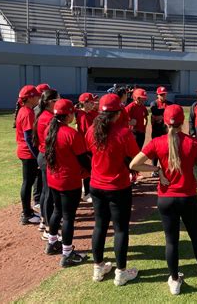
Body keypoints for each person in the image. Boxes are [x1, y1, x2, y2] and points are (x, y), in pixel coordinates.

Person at [130, 104, 197, 295]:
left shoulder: (157, 142)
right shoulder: (193, 143)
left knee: (171, 241)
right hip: (188, 198)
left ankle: (174, 280)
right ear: (183, 122)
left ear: (165, 122)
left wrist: (157, 170)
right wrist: (195, 170)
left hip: (166, 199)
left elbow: (134, 164)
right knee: (196, 237)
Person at [85, 94, 140, 285]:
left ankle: (98, 268)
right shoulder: (123, 133)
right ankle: (121, 272)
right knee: (120, 229)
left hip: (96, 185)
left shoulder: (92, 130)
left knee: (99, 226)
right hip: (118, 187)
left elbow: (89, 152)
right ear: (117, 113)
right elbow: (135, 158)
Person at [44, 99, 90, 267]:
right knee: (69, 217)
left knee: (57, 211)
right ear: (68, 114)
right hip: (69, 181)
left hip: (53, 178)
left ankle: (52, 242)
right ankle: (67, 253)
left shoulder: (50, 128)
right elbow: (83, 159)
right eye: (73, 113)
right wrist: (94, 170)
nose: (74, 116)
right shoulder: (71, 134)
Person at [33, 88, 60, 238]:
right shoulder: (48, 118)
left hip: (43, 155)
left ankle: (44, 222)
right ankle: (48, 228)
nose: (58, 102)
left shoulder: (44, 114)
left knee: (45, 192)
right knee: (49, 193)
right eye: (57, 100)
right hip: (47, 156)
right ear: (50, 102)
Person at [13, 85, 42, 225]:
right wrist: (37, 156)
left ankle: (28, 212)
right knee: (27, 183)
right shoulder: (27, 113)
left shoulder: (26, 110)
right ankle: (26, 214)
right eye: (36, 96)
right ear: (29, 98)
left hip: (26, 152)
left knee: (28, 182)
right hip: (28, 153)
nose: (38, 98)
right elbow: (29, 138)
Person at [75, 92, 99, 203]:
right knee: (87, 169)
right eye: (90, 102)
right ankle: (86, 193)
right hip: (86, 146)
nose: (93, 104)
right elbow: (88, 133)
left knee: (90, 169)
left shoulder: (91, 113)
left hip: (90, 145)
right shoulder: (82, 115)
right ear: (84, 103)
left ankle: (87, 189)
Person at [149, 86, 173, 177]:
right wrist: (165, 113)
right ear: (157, 95)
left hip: (166, 131)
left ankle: (166, 168)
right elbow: (154, 112)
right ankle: (154, 169)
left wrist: (161, 116)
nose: (163, 96)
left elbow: (172, 112)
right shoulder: (154, 103)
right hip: (156, 131)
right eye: (161, 94)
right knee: (155, 151)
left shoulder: (170, 104)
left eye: (164, 94)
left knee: (167, 150)